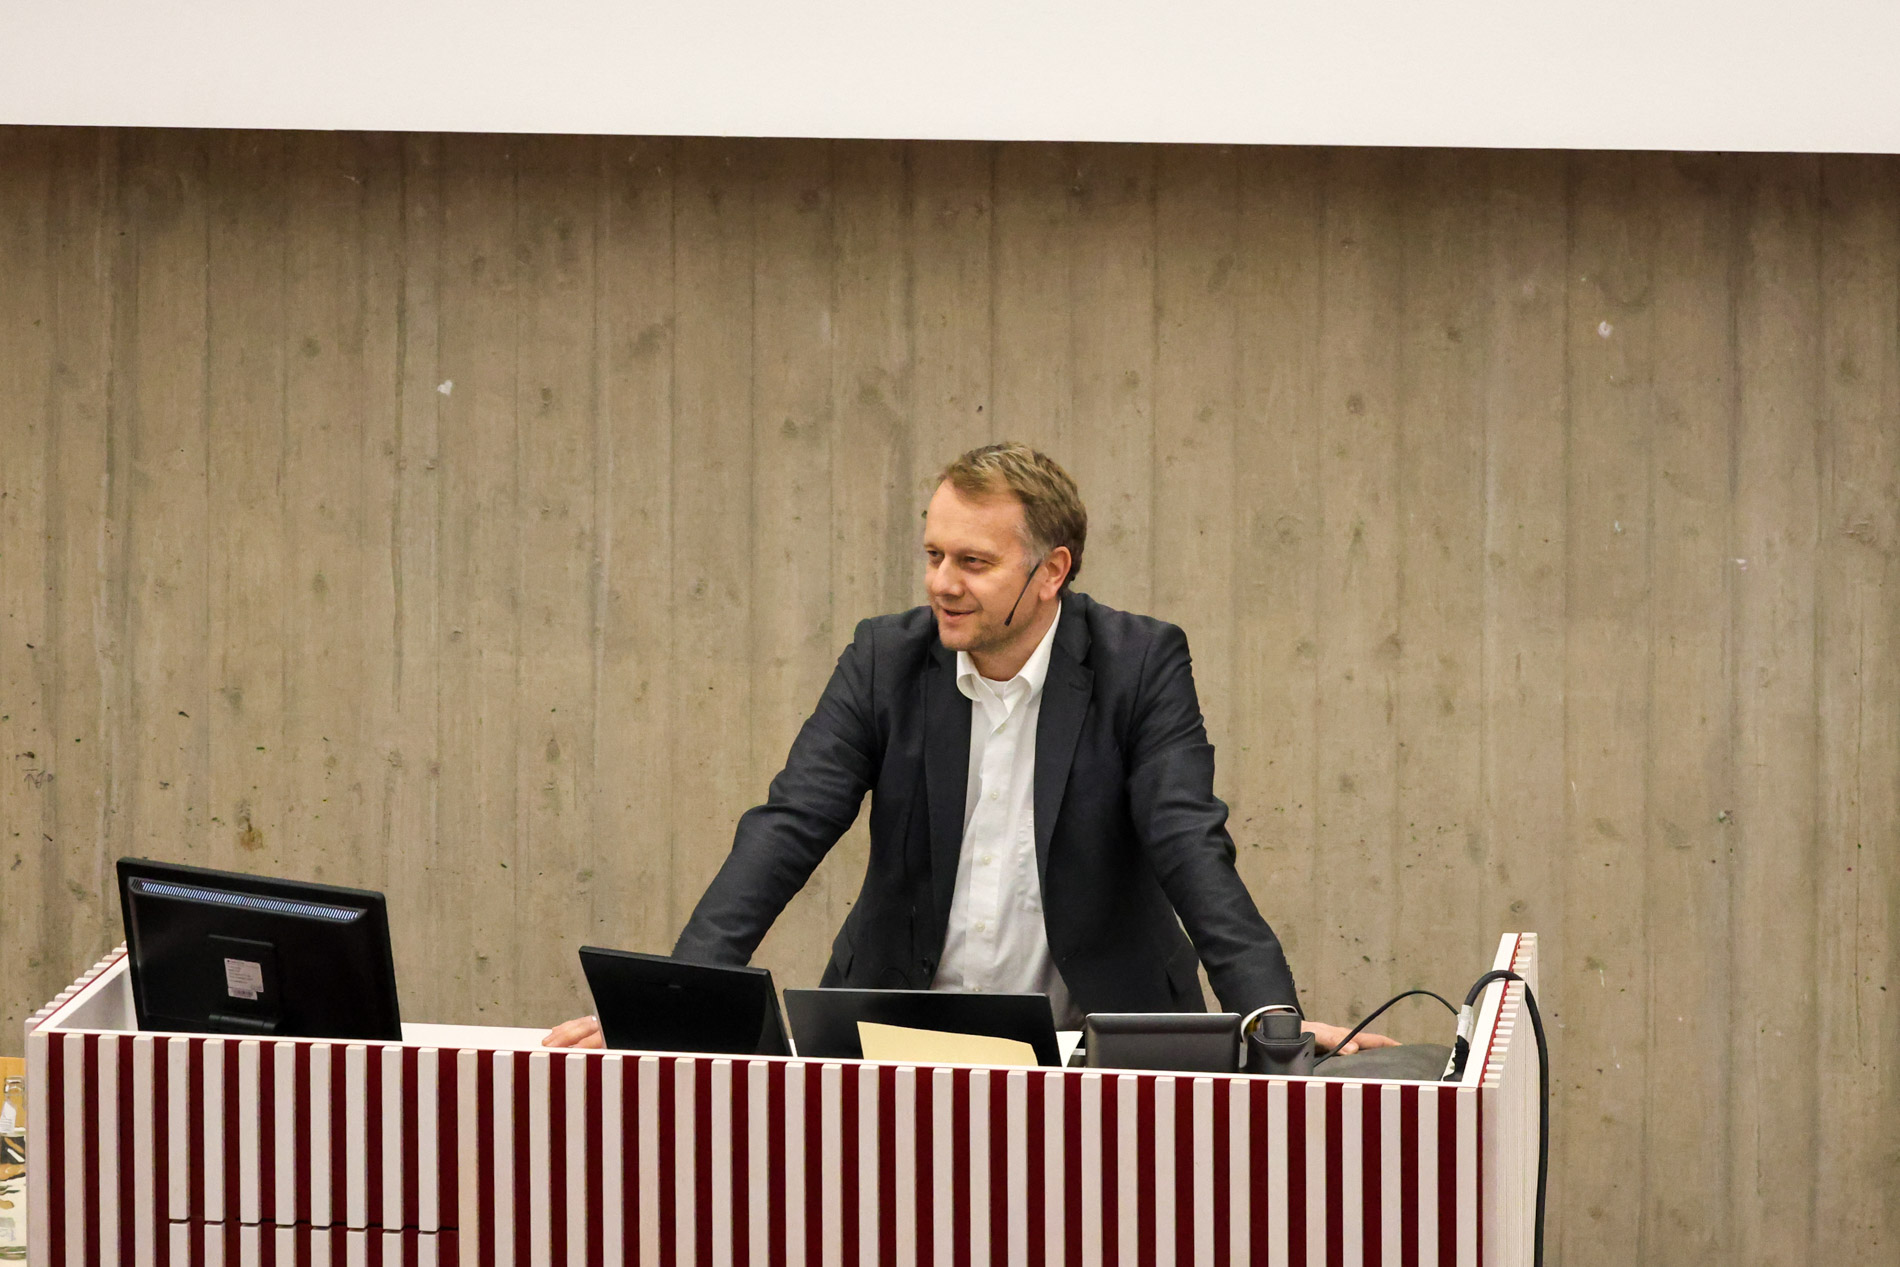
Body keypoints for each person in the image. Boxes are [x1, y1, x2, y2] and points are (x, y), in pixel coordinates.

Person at [546, 443, 1392, 1054]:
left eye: (974, 562)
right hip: (896, 1033)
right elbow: (787, 825)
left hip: (1092, 1042)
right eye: (934, 554)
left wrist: (1272, 1020)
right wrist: (678, 1004)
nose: (942, 583)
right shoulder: (884, 657)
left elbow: (1190, 842)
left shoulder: (1139, 663)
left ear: (1051, 571)